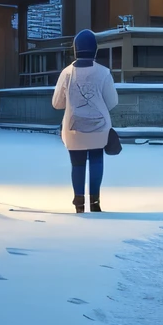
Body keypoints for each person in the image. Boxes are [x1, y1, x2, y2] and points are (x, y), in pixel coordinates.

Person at [52, 28, 118, 212]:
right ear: (95, 49)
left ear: (75, 49)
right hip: (100, 129)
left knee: (77, 163)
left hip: (73, 130)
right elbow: (113, 102)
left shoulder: (66, 73)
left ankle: (79, 203)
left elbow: (57, 103)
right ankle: (95, 202)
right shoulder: (104, 73)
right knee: (96, 160)